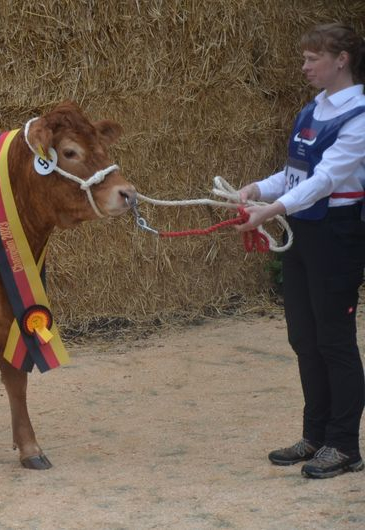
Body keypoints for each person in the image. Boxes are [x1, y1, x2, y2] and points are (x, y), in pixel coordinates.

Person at [235, 22, 365, 479]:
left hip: (335, 235)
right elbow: (295, 172)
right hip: (303, 231)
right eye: (305, 58)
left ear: (341, 60)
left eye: (313, 59)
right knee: (304, 338)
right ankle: (315, 436)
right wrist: (258, 188)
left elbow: (326, 180)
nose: (305, 66)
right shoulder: (315, 107)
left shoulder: (360, 117)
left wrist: (269, 211)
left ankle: (344, 445)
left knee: (334, 340)